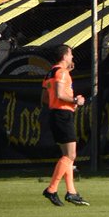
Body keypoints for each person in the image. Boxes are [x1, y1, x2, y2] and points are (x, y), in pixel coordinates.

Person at [41, 44, 90, 206]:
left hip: (55, 114)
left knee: (67, 156)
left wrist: (69, 103)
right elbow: (60, 94)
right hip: (62, 115)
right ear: (64, 56)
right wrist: (76, 100)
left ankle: (72, 192)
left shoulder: (50, 73)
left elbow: (45, 99)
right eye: (71, 55)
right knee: (70, 155)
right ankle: (52, 189)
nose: (72, 58)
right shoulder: (62, 73)